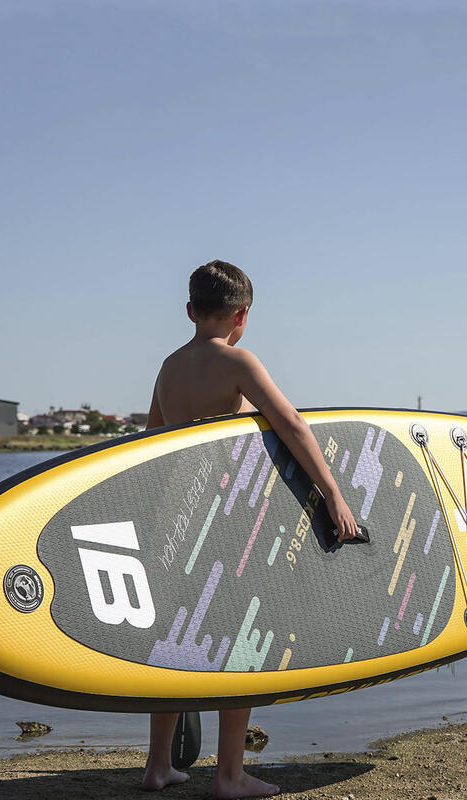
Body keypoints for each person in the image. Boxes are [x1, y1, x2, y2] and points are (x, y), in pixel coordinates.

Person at [141, 260, 359, 799]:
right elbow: (292, 424)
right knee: (240, 644)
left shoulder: (168, 367)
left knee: (176, 644)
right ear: (242, 315)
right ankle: (230, 775)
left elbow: (146, 443)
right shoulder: (239, 361)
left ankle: (157, 768)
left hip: (177, 520)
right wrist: (333, 494)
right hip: (227, 522)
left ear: (190, 311)